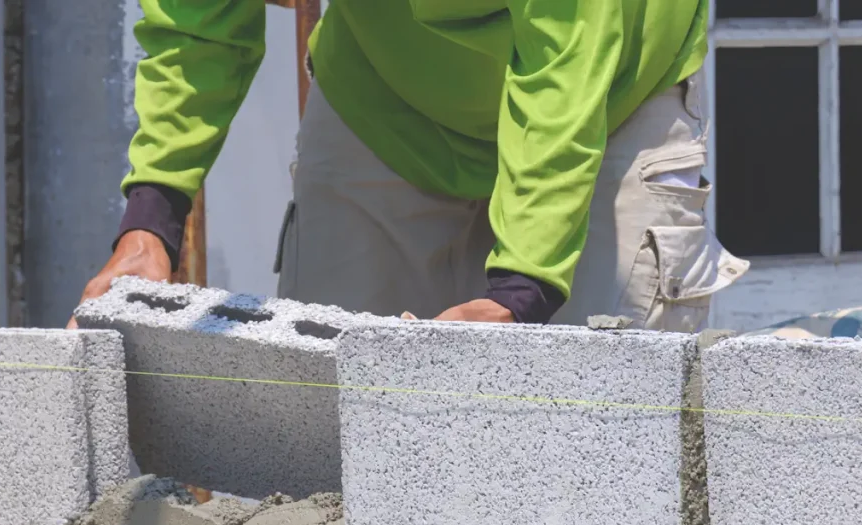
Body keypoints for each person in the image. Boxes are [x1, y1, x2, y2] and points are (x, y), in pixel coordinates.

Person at [70, 0, 748, 330]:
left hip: (611, 89)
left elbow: (565, 61)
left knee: (599, 456)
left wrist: (523, 290)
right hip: (385, 94)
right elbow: (199, 17)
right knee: (323, 448)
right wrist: (150, 223)